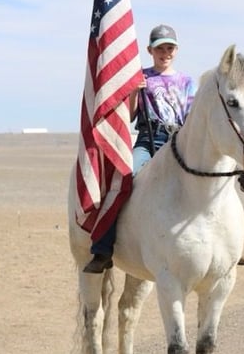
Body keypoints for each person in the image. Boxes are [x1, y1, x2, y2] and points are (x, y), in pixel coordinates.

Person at [83, 24, 196, 273]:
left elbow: (190, 118)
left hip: (177, 142)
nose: (165, 53)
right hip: (148, 139)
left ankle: (226, 248)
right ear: (150, 50)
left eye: (169, 48)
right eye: (159, 48)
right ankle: (103, 248)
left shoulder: (187, 81)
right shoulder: (141, 77)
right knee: (125, 179)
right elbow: (132, 115)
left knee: (205, 180)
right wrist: (134, 91)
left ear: (176, 50)